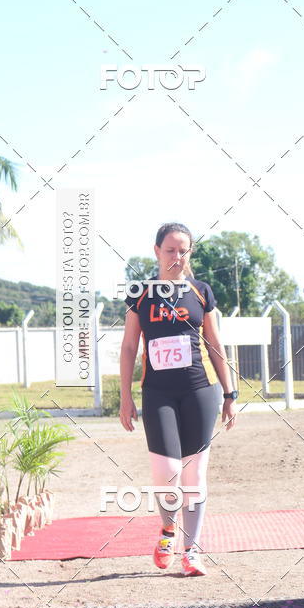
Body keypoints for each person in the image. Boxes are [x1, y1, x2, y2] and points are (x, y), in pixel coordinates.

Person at [119, 222, 237, 576]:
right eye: (170, 249)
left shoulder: (201, 291)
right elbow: (128, 347)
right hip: (158, 393)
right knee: (167, 472)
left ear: (190, 252)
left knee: (195, 473)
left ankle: (192, 551)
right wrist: (125, 397)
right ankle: (168, 529)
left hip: (198, 390)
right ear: (156, 251)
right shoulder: (140, 293)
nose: (177, 256)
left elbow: (215, 345)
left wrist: (229, 394)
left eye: (183, 249)